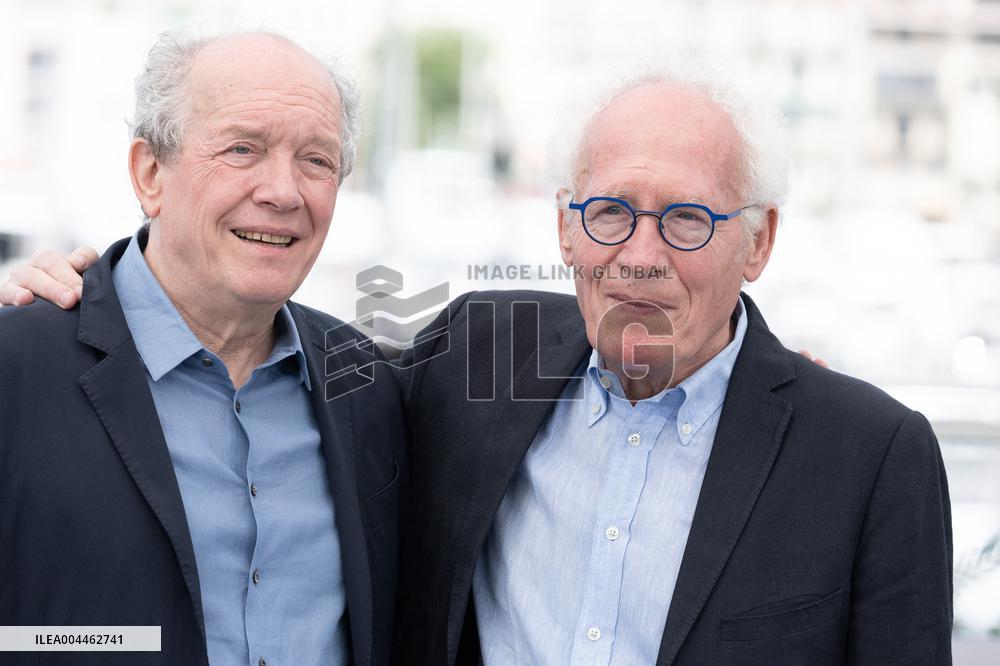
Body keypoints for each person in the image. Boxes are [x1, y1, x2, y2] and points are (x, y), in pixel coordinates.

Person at [4, 68, 950, 665]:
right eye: (610, 211)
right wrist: (78, 292)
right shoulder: (464, 361)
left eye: (691, 219)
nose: (641, 254)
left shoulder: (868, 457)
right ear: (565, 225)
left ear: (759, 242)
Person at [0, 31, 405, 666]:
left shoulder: (366, 382)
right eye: (243, 149)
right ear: (150, 173)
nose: (284, 192)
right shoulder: (16, 367)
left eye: (317, 160)